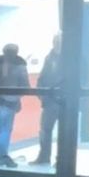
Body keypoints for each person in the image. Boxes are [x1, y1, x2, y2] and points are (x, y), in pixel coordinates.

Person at [0, 43, 30, 167]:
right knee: (5, 129)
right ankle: (1, 156)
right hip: (8, 101)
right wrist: (17, 99)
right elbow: (25, 86)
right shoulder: (20, 65)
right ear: (16, 52)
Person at [32, 34, 62, 166]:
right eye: (55, 41)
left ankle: (61, 160)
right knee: (45, 130)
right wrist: (42, 95)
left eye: (59, 41)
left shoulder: (73, 57)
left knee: (65, 133)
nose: (57, 44)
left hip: (65, 102)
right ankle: (44, 157)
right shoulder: (49, 58)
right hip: (49, 101)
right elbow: (42, 78)